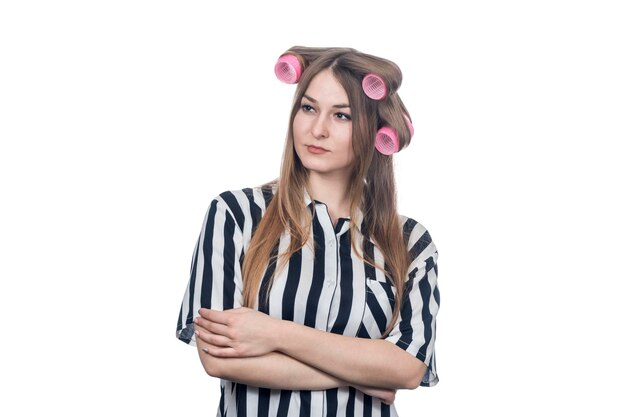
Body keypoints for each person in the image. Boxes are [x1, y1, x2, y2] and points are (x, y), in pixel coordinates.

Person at [176, 46, 440, 417]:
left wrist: (272, 333)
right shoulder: (235, 214)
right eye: (309, 108)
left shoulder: (411, 243)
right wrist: (366, 372)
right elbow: (218, 358)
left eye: (342, 115)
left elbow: (409, 369)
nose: (318, 130)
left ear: (374, 130)